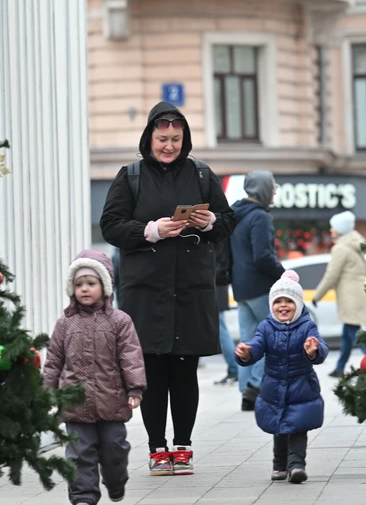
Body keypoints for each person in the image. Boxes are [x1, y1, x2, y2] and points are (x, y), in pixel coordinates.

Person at [100, 102, 235, 477]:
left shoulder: (202, 173)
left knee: (185, 369)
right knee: (153, 371)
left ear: (185, 139)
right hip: (146, 291)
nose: (169, 146)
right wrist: (151, 231)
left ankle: (184, 446)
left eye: (176, 139)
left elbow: (227, 221)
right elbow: (110, 225)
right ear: (149, 138)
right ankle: (157, 447)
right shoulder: (130, 176)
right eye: (163, 139)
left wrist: (209, 223)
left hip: (190, 288)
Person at [43, 249, 146, 505]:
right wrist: (47, 393)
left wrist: (134, 388)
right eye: (79, 285)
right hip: (76, 402)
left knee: (115, 448)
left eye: (91, 283)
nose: (84, 289)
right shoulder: (65, 324)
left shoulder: (120, 321)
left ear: (105, 286)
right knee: (79, 452)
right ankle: (83, 494)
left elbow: (131, 356)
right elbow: (54, 360)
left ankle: (116, 480)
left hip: (111, 399)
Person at [235, 271, 329, 484]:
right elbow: (257, 345)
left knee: (298, 426)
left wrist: (313, 351)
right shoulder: (266, 327)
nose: (283, 306)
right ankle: (279, 464)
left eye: (289, 301)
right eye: (278, 301)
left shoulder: (307, 326)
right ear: (271, 305)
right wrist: (247, 352)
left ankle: (296, 465)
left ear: (298, 304)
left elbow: (319, 345)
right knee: (278, 426)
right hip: (274, 386)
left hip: (301, 385)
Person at [229, 171, 285, 411]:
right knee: (271, 336)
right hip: (260, 286)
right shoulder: (259, 217)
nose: (274, 192)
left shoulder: (235, 216)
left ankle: (246, 393)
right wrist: (283, 275)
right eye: (272, 188)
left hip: (240, 286)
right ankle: (255, 388)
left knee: (248, 339)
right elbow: (263, 257)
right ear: (262, 189)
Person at [312, 211, 366, 377]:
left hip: (349, 296)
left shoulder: (341, 248)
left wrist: (317, 295)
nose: (331, 230)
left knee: (355, 333)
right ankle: (340, 367)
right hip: (358, 294)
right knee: (348, 333)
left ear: (340, 229)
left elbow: (331, 275)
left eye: (333, 227)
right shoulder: (356, 243)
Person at [214, 237, 237, 385]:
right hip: (219, 281)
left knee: (220, 328)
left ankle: (234, 369)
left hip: (214, 282)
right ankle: (234, 369)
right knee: (220, 327)